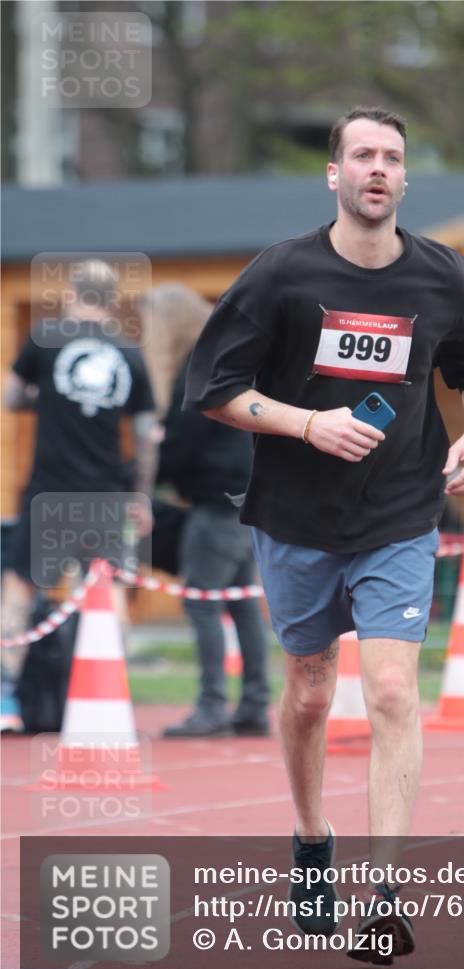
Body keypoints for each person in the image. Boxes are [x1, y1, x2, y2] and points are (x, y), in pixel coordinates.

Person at [183, 106, 464, 963]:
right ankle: (309, 839)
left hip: (400, 513)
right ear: (332, 175)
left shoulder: (440, 275)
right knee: (306, 691)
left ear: (404, 179)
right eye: (361, 155)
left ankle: (384, 897)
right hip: (295, 519)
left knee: (393, 692)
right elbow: (213, 387)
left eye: (392, 157)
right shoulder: (282, 274)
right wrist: (306, 424)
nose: (377, 168)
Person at [2, 259, 157, 713]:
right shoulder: (130, 353)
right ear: (111, 302)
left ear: (71, 294)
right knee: (107, 592)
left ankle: (10, 697)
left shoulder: (45, 337)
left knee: (19, 588)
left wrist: (45, 397)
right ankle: (111, 695)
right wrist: (141, 496)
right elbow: (147, 434)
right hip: (107, 493)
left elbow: (11, 397)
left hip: (49, 488)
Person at [140, 285, 270, 738]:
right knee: (241, 603)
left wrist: (150, 472)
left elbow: (181, 444)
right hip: (245, 501)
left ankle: (212, 706)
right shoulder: (231, 360)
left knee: (202, 602)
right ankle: (254, 705)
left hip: (215, 504)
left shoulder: (200, 368)